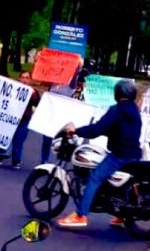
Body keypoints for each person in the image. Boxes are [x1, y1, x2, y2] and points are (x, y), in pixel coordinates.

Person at [57, 80, 142, 228]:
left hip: (120, 154)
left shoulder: (117, 110)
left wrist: (76, 130)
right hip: (133, 153)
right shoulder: (134, 110)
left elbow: (96, 130)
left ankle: (80, 215)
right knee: (120, 182)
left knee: (95, 177)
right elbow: (118, 129)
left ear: (118, 93)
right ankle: (121, 216)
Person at [8, 71, 41, 169]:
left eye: (27, 78)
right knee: (5, 137)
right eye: (22, 77)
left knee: (19, 140)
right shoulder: (13, 88)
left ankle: (16, 160)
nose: (24, 80)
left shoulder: (34, 91)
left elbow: (37, 104)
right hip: (11, 118)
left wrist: (34, 94)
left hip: (24, 119)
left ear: (30, 80)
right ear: (19, 78)